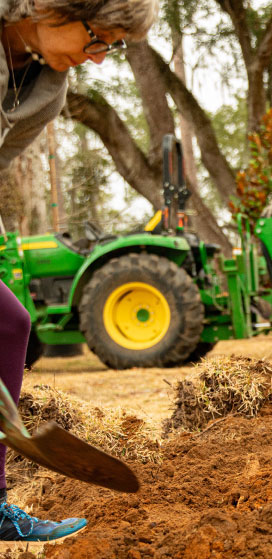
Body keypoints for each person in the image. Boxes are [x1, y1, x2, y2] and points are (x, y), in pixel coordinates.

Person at [0, 0, 157, 544]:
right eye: (97, 40)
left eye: (111, 47)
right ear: (54, 8)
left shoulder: (46, 91)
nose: (97, 59)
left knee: (10, 325)